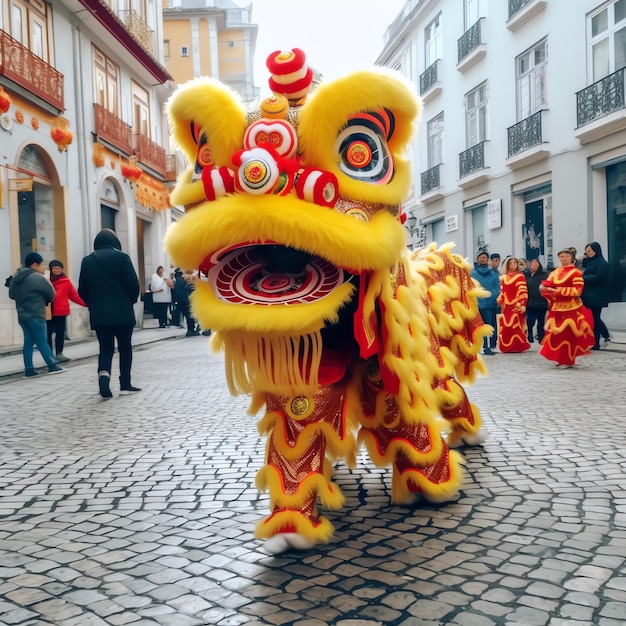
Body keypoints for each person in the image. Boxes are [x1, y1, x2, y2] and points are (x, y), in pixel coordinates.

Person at [78, 229, 141, 398]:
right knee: (125, 348)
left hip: (100, 314)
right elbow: (134, 284)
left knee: (105, 348)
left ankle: (104, 373)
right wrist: (130, 301)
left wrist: (93, 304)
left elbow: (82, 290)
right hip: (123, 313)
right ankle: (125, 385)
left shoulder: (87, 261)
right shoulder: (122, 258)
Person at [8, 252, 65, 377]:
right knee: (42, 340)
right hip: (35, 313)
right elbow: (51, 294)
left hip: (22, 314)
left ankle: (29, 369)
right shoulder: (37, 278)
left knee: (28, 341)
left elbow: (11, 295)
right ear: (34, 264)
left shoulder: (16, 277)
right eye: (41, 265)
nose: (43, 267)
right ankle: (52, 365)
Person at [539, 247, 595, 368]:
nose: (564, 258)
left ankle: (567, 359)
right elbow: (547, 284)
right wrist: (545, 289)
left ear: (571, 258)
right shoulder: (555, 272)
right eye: (561, 256)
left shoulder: (576, 273)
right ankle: (558, 357)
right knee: (556, 334)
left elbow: (577, 291)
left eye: (566, 256)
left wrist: (557, 290)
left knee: (568, 334)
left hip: (572, 308)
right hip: (557, 308)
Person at [47, 260, 86, 362]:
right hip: (48, 311)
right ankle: (49, 355)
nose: (56, 270)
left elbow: (74, 296)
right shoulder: (47, 280)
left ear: (62, 269)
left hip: (61, 311)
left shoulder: (66, 281)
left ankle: (59, 353)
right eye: (54, 268)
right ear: (51, 269)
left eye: (58, 268)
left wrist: (86, 304)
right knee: (48, 333)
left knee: (60, 333)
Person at [496, 257, 530, 353]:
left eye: (515, 262)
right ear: (507, 264)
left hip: (516, 304)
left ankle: (518, 345)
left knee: (516, 325)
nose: (513, 264)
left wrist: (522, 303)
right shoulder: (503, 277)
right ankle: (506, 346)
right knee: (506, 326)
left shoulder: (520, 276)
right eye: (510, 263)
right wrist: (500, 298)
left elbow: (523, 291)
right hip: (506, 306)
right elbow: (503, 291)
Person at [582, 241, 611, 350]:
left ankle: (600, 339)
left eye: (590, 251)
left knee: (595, 318)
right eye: (587, 251)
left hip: (597, 295)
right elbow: (584, 265)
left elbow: (599, 277)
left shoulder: (602, 263)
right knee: (594, 318)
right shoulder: (590, 262)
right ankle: (600, 338)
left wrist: (583, 278)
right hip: (589, 295)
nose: (588, 253)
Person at [470, 250, 500, 355]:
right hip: (479, 303)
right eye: (481, 257)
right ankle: (483, 346)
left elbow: (497, 285)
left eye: (485, 257)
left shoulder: (492, 272)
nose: (483, 259)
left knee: (491, 324)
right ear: (478, 258)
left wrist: (496, 295)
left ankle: (490, 345)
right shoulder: (472, 273)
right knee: (481, 325)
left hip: (492, 301)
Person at [525, 258, 549, 343]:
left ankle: (541, 337)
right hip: (530, 302)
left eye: (536, 264)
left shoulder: (544, 275)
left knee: (541, 321)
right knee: (530, 320)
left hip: (541, 302)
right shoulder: (526, 275)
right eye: (532, 264)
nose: (534, 265)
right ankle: (530, 334)